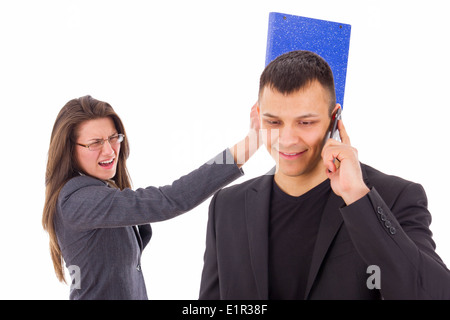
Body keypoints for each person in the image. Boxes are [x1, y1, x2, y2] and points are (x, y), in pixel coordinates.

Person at [199, 50, 450, 300]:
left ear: (334, 119)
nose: (287, 140)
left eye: (305, 123)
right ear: (257, 116)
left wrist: (358, 197)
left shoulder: (394, 197)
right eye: (273, 122)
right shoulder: (227, 206)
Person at [42, 95, 260, 300]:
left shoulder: (101, 192)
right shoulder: (78, 200)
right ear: (70, 149)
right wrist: (250, 143)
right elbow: (171, 199)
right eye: (95, 143)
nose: (109, 151)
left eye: (112, 138)